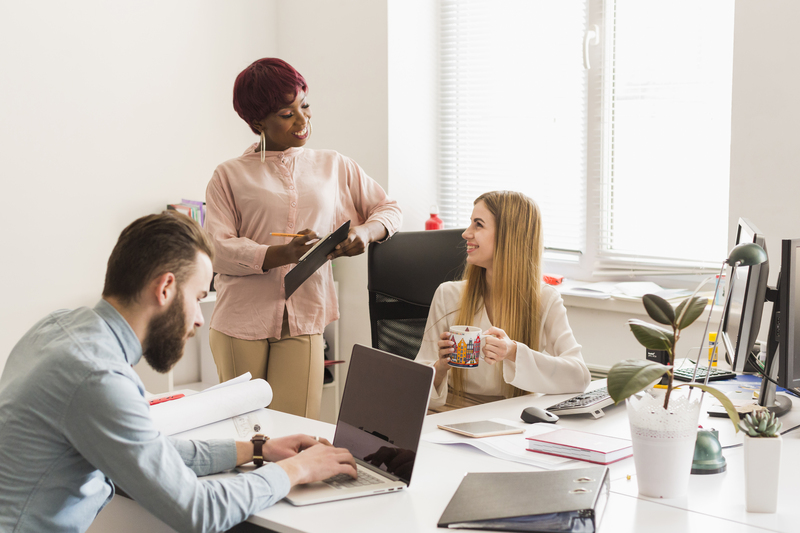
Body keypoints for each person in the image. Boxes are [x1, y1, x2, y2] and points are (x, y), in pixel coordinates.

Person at [0, 212, 357, 533]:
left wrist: (257, 449)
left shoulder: (58, 328)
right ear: (166, 288)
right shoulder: (97, 376)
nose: (200, 319)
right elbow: (197, 511)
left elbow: (147, 450)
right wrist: (298, 470)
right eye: (198, 296)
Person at [205, 58, 401, 420]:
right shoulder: (228, 175)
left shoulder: (333, 165)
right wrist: (279, 253)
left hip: (306, 316)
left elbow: (388, 209)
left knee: (294, 430)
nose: (302, 120)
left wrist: (364, 232)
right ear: (256, 122)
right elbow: (216, 250)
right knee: (244, 431)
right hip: (240, 321)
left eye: (304, 105)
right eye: (286, 112)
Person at [415, 191, 591, 412]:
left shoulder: (545, 299)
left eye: (478, 225)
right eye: (470, 223)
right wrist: (440, 367)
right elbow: (416, 387)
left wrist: (514, 351)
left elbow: (579, 376)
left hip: (514, 415)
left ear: (509, 236)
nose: (466, 234)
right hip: (450, 412)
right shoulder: (448, 294)